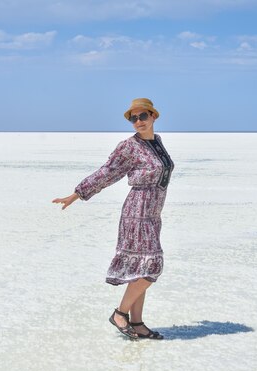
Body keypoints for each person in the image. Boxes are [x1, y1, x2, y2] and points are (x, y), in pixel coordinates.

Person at [52, 98, 174, 340]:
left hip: (153, 214)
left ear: (154, 117)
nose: (138, 121)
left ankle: (137, 323)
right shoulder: (129, 147)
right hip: (136, 213)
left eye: (143, 116)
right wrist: (77, 194)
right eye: (133, 118)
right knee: (152, 266)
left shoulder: (157, 142)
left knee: (141, 268)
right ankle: (120, 313)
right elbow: (107, 172)